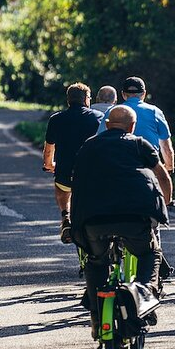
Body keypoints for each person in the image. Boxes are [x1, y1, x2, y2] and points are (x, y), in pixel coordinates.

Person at [70, 105, 173, 340]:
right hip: (133, 217)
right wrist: (165, 202)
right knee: (149, 254)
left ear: (106, 125)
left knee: (96, 262)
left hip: (93, 218)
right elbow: (162, 174)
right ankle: (143, 291)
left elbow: (76, 179)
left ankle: (97, 319)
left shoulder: (89, 145)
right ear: (132, 126)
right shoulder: (139, 144)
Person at [42, 83, 103, 243]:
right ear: (86, 99)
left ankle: (66, 217)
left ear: (69, 100)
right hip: (92, 176)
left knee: (61, 189)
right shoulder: (98, 118)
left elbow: (49, 150)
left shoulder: (56, 119)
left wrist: (48, 165)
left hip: (65, 175)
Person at [96, 77, 174, 172]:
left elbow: (99, 141)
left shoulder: (112, 112)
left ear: (123, 94)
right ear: (144, 94)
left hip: (119, 169)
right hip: (148, 169)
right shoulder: (155, 112)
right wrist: (169, 169)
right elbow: (166, 148)